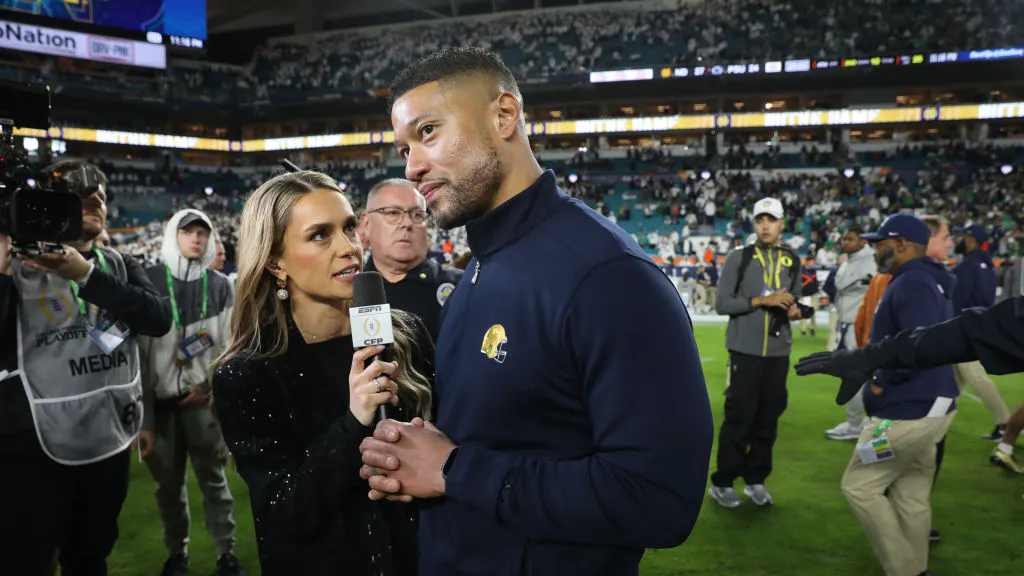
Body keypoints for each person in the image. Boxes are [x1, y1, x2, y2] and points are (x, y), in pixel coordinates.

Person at [358, 46, 713, 575]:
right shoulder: (484, 262)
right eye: (404, 147)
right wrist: (416, 457)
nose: (412, 166)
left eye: (427, 131)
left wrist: (455, 470)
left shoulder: (607, 275)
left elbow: (658, 499)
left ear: (504, 115)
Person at [210, 171, 436, 575]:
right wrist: (354, 423)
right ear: (276, 263)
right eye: (320, 235)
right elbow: (285, 513)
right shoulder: (248, 375)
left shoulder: (404, 333)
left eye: (349, 228)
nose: (349, 248)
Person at [0, 160, 172, 575]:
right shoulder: (15, 268)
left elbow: (158, 318)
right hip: (31, 449)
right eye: (79, 194)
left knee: (90, 558)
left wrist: (86, 274)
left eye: (102, 196)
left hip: (105, 442)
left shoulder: (117, 263)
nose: (96, 198)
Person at [826, 214, 959, 576]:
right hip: (930, 406)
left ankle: (906, 570)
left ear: (900, 245)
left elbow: (919, 344)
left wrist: (882, 377)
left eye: (880, 242)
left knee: (859, 486)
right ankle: (917, 568)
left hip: (907, 409)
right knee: (910, 496)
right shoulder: (924, 279)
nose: (875, 248)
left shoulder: (912, 283)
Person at [136, 209, 245, 576]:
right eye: (188, 232)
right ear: (173, 234)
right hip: (161, 406)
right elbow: (140, 356)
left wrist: (210, 388)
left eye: (203, 232)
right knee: (168, 489)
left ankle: (225, 555)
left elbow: (231, 348)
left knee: (215, 483)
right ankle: (177, 554)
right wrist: (145, 417)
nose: (196, 239)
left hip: (203, 403)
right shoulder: (149, 281)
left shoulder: (220, 285)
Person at [708, 196, 803, 508]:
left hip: (778, 352)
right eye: (760, 219)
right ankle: (723, 482)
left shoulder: (792, 258)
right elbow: (722, 304)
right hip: (745, 351)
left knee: (768, 419)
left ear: (781, 224)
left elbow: (795, 299)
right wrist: (763, 301)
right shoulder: (740, 257)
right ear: (754, 223)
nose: (765, 225)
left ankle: (756, 479)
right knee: (740, 418)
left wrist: (796, 310)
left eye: (771, 219)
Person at [359, 178, 464, 342]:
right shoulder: (345, 295)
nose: (407, 223)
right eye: (393, 213)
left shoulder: (461, 287)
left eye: (417, 215)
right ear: (366, 223)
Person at [951, 224, 1010, 440]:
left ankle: (1004, 422)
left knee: (975, 376)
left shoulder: (967, 267)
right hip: (979, 325)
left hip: (964, 328)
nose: (959, 240)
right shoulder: (987, 266)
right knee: (953, 381)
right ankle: (939, 419)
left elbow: (958, 301)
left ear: (972, 241)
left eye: (963, 236)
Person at [825, 226, 876, 440]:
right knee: (857, 373)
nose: (845, 242)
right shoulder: (848, 262)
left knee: (855, 374)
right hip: (848, 324)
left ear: (863, 241)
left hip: (860, 325)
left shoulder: (871, 261)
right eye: (844, 238)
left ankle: (856, 423)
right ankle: (865, 420)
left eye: (850, 238)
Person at [799, 255, 820, 336]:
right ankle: (803, 329)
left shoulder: (813, 271)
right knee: (804, 311)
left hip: (813, 293)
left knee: (813, 311)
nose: (813, 264)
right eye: (811, 262)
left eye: (813, 262)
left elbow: (815, 281)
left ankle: (813, 328)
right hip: (804, 294)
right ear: (807, 262)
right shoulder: (801, 270)